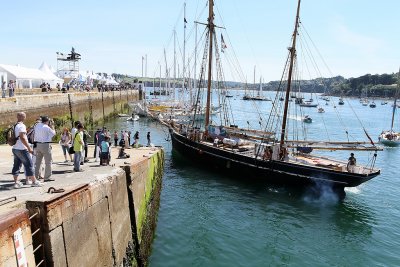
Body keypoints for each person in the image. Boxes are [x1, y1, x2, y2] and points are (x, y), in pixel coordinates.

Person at [11, 112, 42, 188]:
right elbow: (22, 137)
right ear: (23, 117)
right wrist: (29, 148)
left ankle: (16, 182)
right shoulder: (22, 126)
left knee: (16, 165)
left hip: (15, 148)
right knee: (29, 164)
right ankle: (34, 181)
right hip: (22, 149)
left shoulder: (15, 125)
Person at [34, 116, 56, 182]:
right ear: (47, 121)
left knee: (38, 162)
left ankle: (35, 176)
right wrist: (52, 126)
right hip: (45, 145)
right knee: (48, 162)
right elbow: (53, 134)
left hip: (38, 144)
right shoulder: (46, 127)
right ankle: (47, 177)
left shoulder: (37, 125)